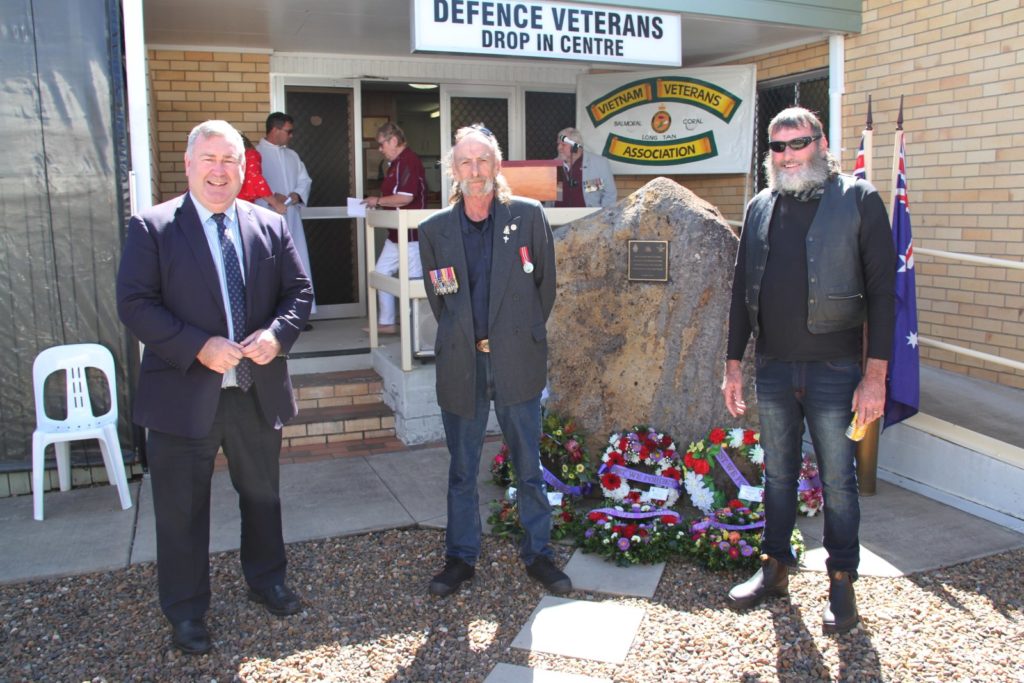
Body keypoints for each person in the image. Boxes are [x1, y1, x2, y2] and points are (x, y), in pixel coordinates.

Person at [116, 120, 313, 655]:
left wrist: (277, 335)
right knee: (181, 509)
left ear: (245, 168)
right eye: (210, 159)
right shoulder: (153, 228)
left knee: (262, 495)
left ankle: (267, 579)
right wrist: (197, 345)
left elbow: (299, 293)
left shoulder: (267, 224)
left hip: (253, 390)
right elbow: (134, 304)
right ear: (189, 164)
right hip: (182, 395)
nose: (220, 171)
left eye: (231, 161)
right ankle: (185, 611)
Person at [720, 107, 895, 634]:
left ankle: (841, 581)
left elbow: (886, 297)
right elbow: (740, 291)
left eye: (799, 143)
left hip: (836, 369)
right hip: (774, 367)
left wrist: (875, 376)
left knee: (839, 482)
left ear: (820, 143)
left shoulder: (858, 200)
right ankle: (775, 567)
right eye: (778, 147)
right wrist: (733, 365)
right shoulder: (759, 207)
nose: (789, 155)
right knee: (777, 476)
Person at [418, 124, 571, 597]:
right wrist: (474, 339)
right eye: (466, 162)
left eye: (483, 160)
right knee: (462, 469)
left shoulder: (526, 217)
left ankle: (539, 554)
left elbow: (544, 286)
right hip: (463, 365)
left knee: (528, 465)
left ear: (497, 165)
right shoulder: (435, 232)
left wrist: (516, 335)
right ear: (453, 171)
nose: (475, 170)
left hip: (516, 361)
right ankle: (460, 558)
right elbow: (441, 301)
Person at [364, 122, 428, 335]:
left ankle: (417, 332)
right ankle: (388, 322)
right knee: (381, 274)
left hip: (411, 236)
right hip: (395, 236)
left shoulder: (408, 161)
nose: (380, 149)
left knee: (413, 282)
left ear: (393, 140)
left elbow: (405, 197)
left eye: (382, 144)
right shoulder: (395, 164)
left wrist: (378, 200)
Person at [257, 112, 316, 327]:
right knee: (271, 267)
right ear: (275, 130)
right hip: (265, 220)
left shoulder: (293, 156)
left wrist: (296, 195)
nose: (291, 136)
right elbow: (251, 187)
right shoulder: (256, 154)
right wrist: (271, 199)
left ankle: (299, 315)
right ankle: (272, 317)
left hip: (292, 218)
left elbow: (304, 180)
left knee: (296, 265)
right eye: (288, 131)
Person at [553, 127, 617, 208]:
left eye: (563, 144)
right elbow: (552, 196)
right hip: (557, 218)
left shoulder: (599, 163)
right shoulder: (553, 165)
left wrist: (601, 217)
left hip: (589, 219)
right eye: (558, 144)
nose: (559, 148)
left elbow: (609, 194)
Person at [238, 134, 286, 214]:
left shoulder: (222, 159)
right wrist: (276, 204)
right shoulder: (250, 154)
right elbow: (255, 179)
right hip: (242, 207)